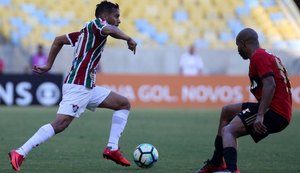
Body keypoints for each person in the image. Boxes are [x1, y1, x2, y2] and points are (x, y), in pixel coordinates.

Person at [8, 1, 137, 171]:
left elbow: (58, 40)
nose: (119, 20)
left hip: (86, 86)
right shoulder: (98, 25)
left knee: (123, 104)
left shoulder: (86, 32)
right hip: (79, 86)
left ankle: (112, 148)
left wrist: (48, 65)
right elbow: (110, 29)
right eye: (116, 16)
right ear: (105, 16)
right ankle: (20, 152)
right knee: (60, 123)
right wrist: (128, 38)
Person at [195, 28, 292, 173]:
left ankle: (232, 170)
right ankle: (216, 162)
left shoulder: (258, 57)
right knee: (227, 111)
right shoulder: (265, 55)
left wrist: (260, 115)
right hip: (275, 107)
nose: (238, 50)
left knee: (228, 131)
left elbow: (270, 85)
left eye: (237, 46)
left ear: (243, 43)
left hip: (274, 111)